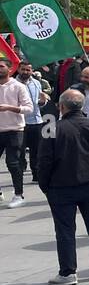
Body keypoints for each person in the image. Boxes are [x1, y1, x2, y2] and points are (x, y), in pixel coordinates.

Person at [38, 89, 89, 285]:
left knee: (65, 230)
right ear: (81, 106)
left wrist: (44, 184)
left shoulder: (52, 128)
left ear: (61, 107)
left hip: (60, 186)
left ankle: (68, 272)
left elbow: (44, 161)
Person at [0, 58, 35, 208]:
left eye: (1, 66)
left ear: (9, 69)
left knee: (13, 163)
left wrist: (9, 107)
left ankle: (18, 194)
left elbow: (29, 108)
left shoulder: (18, 86)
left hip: (14, 129)